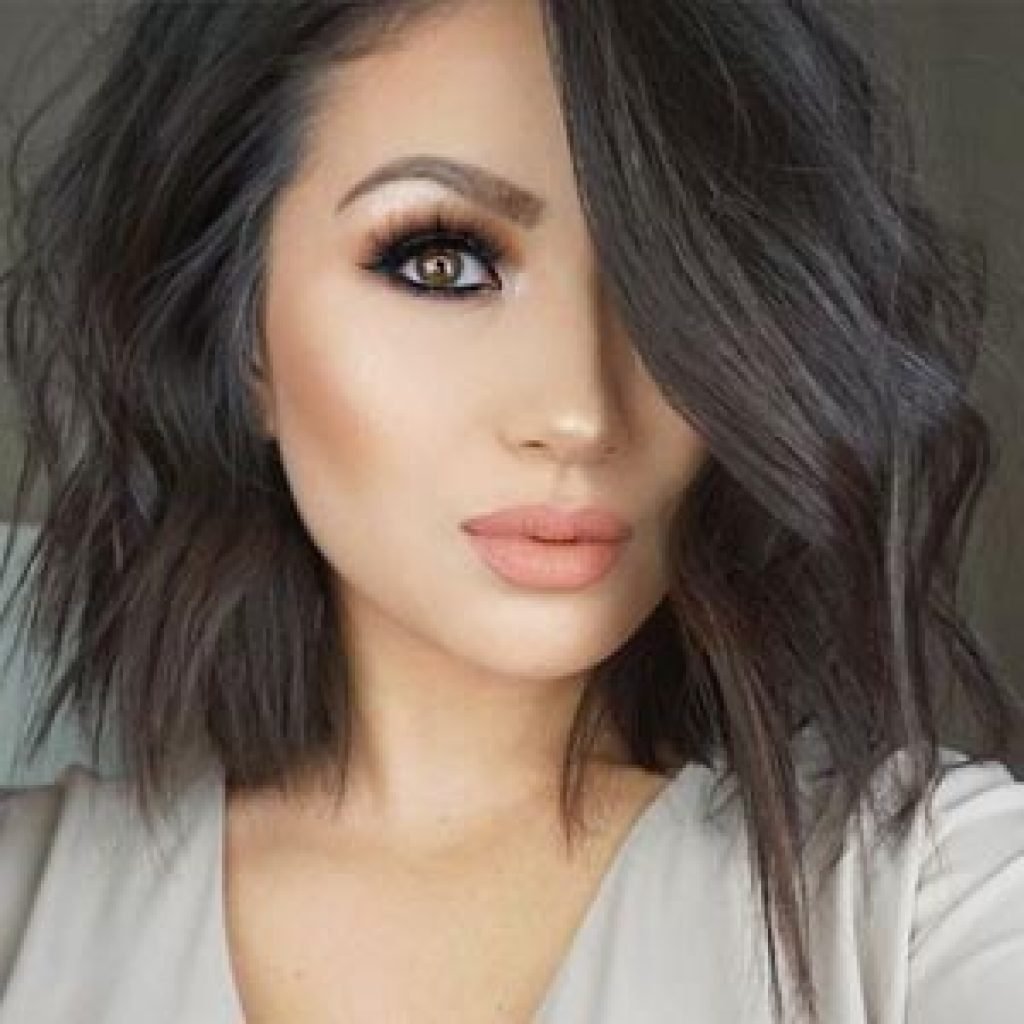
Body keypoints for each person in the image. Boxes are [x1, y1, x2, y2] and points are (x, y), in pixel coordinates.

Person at [1, 0, 1022, 1021]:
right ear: (242, 343)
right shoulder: (28, 913)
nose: (579, 413)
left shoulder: (925, 898)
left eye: (669, 285)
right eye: (442, 264)